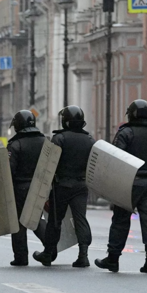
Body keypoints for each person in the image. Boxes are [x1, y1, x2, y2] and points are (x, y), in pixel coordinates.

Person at [95, 99, 147, 274]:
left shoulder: (126, 132)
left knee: (120, 220)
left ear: (132, 114)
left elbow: (116, 157)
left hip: (129, 182)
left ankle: (113, 258)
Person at [33, 106, 96, 268]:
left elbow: (49, 165)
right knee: (80, 219)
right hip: (82, 185)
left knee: (55, 220)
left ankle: (48, 254)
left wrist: (44, 189)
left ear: (65, 121)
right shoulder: (90, 140)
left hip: (62, 185)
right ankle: (84, 255)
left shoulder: (59, 138)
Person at [7, 110, 48, 266]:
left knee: (18, 222)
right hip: (40, 185)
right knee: (36, 218)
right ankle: (50, 247)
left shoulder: (15, 145)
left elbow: (9, 171)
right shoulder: (45, 142)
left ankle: (21, 257)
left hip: (21, 187)